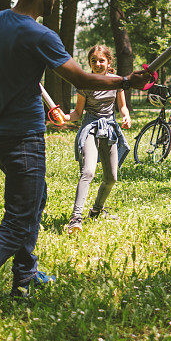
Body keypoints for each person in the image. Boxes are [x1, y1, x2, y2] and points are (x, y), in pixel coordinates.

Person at [0, 0, 152, 297]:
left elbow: (16, 74)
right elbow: (81, 78)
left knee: (35, 199)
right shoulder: (39, 34)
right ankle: (23, 276)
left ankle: (25, 276)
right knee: (18, 219)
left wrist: (49, 104)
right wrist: (126, 79)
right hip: (23, 136)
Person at [65, 44, 131, 234]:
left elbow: (122, 107)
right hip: (90, 128)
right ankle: (75, 218)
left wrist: (125, 116)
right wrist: (65, 117)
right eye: (93, 61)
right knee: (88, 172)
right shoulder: (85, 83)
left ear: (109, 62)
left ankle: (96, 210)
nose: (97, 64)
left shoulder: (117, 82)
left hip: (109, 128)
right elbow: (78, 113)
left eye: (101, 60)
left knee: (111, 178)